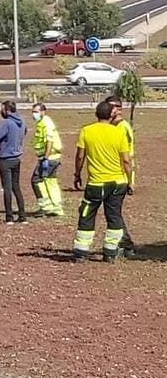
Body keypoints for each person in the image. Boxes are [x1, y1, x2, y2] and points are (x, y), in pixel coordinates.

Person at [72, 100, 134, 262]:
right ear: (111, 115)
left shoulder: (86, 131)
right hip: (118, 182)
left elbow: (80, 156)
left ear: (96, 114)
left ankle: (81, 251)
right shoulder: (118, 132)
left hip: (96, 183)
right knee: (114, 215)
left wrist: (77, 174)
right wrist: (130, 181)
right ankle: (110, 252)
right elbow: (126, 160)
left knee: (87, 214)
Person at [0, 100, 27, 224]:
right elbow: (24, 132)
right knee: (16, 187)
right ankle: (22, 215)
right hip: (16, 158)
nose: (0, 111)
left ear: (7, 110)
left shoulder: (6, 123)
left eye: (1, 109)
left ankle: (9, 217)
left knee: (7, 188)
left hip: (6, 159)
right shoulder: (21, 121)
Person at [103, 95, 137, 254]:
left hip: (120, 175)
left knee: (113, 212)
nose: (112, 109)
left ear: (120, 109)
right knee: (112, 212)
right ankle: (122, 243)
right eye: (109, 106)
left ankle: (126, 245)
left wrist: (130, 181)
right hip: (110, 173)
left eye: (115, 106)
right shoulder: (111, 125)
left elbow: (126, 157)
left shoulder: (122, 127)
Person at [30, 103, 65, 217]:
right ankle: (56, 207)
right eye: (33, 112)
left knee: (36, 180)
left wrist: (46, 157)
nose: (34, 114)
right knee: (50, 181)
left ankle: (46, 206)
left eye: (36, 112)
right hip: (50, 157)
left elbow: (50, 141)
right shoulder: (42, 122)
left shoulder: (46, 123)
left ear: (43, 112)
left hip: (49, 158)